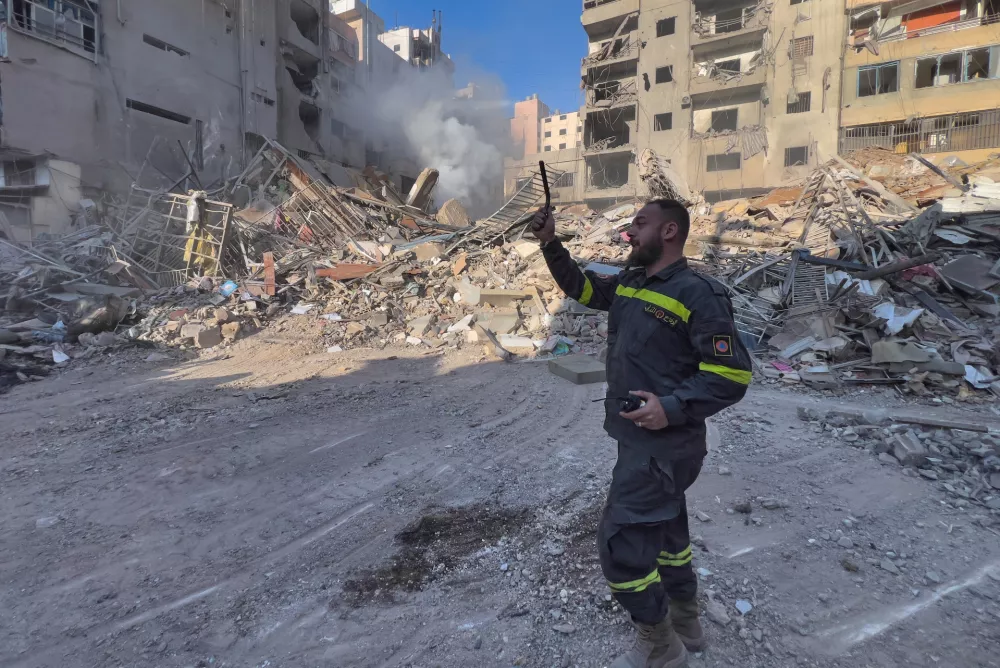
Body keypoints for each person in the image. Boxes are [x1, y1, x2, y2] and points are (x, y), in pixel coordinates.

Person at [531, 199, 751, 668]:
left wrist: (670, 408)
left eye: (640, 224)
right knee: (667, 531)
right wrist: (551, 243)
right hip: (640, 442)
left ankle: (661, 644)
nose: (629, 233)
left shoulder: (699, 295)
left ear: (670, 232)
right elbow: (585, 289)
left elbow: (731, 376)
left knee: (623, 549)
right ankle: (686, 618)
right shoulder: (633, 282)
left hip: (666, 446)